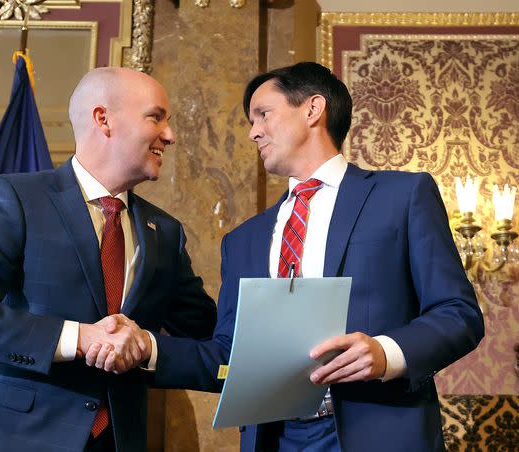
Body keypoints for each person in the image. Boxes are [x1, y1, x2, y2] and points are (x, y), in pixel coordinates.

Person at [148, 62, 485, 451]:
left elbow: (458, 314)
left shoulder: (403, 197)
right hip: (277, 439)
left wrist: (385, 353)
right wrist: (148, 347)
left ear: (312, 109)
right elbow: (230, 353)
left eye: (263, 114)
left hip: (379, 431)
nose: (253, 131)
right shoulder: (242, 241)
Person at [0, 67, 217, 452]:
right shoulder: (17, 199)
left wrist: (145, 346)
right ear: (103, 118)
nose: (170, 135)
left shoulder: (167, 233)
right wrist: (79, 338)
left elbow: (211, 337)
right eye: (156, 117)